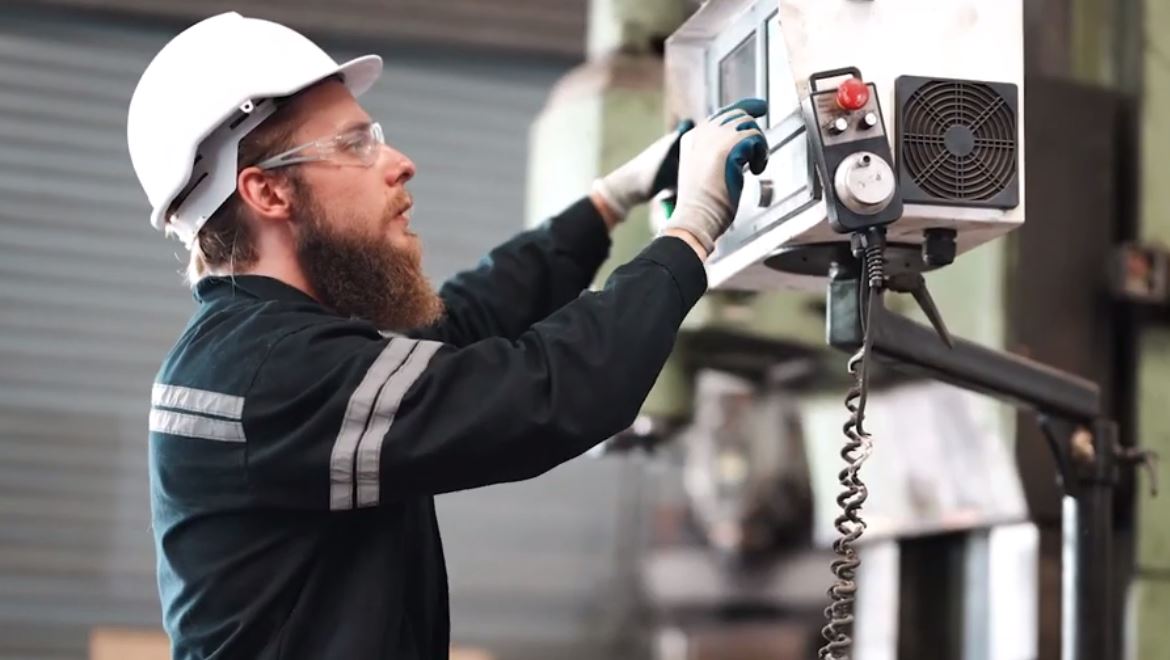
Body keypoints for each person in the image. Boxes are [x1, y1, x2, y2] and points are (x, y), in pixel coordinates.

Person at [127, 12, 768, 660]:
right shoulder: (266, 372)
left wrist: (610, 199)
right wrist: (691, 231)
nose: (401, 163)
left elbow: (457, 324)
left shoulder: (260, 345)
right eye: (355, 145)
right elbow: (547, 395)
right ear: (267, 191)